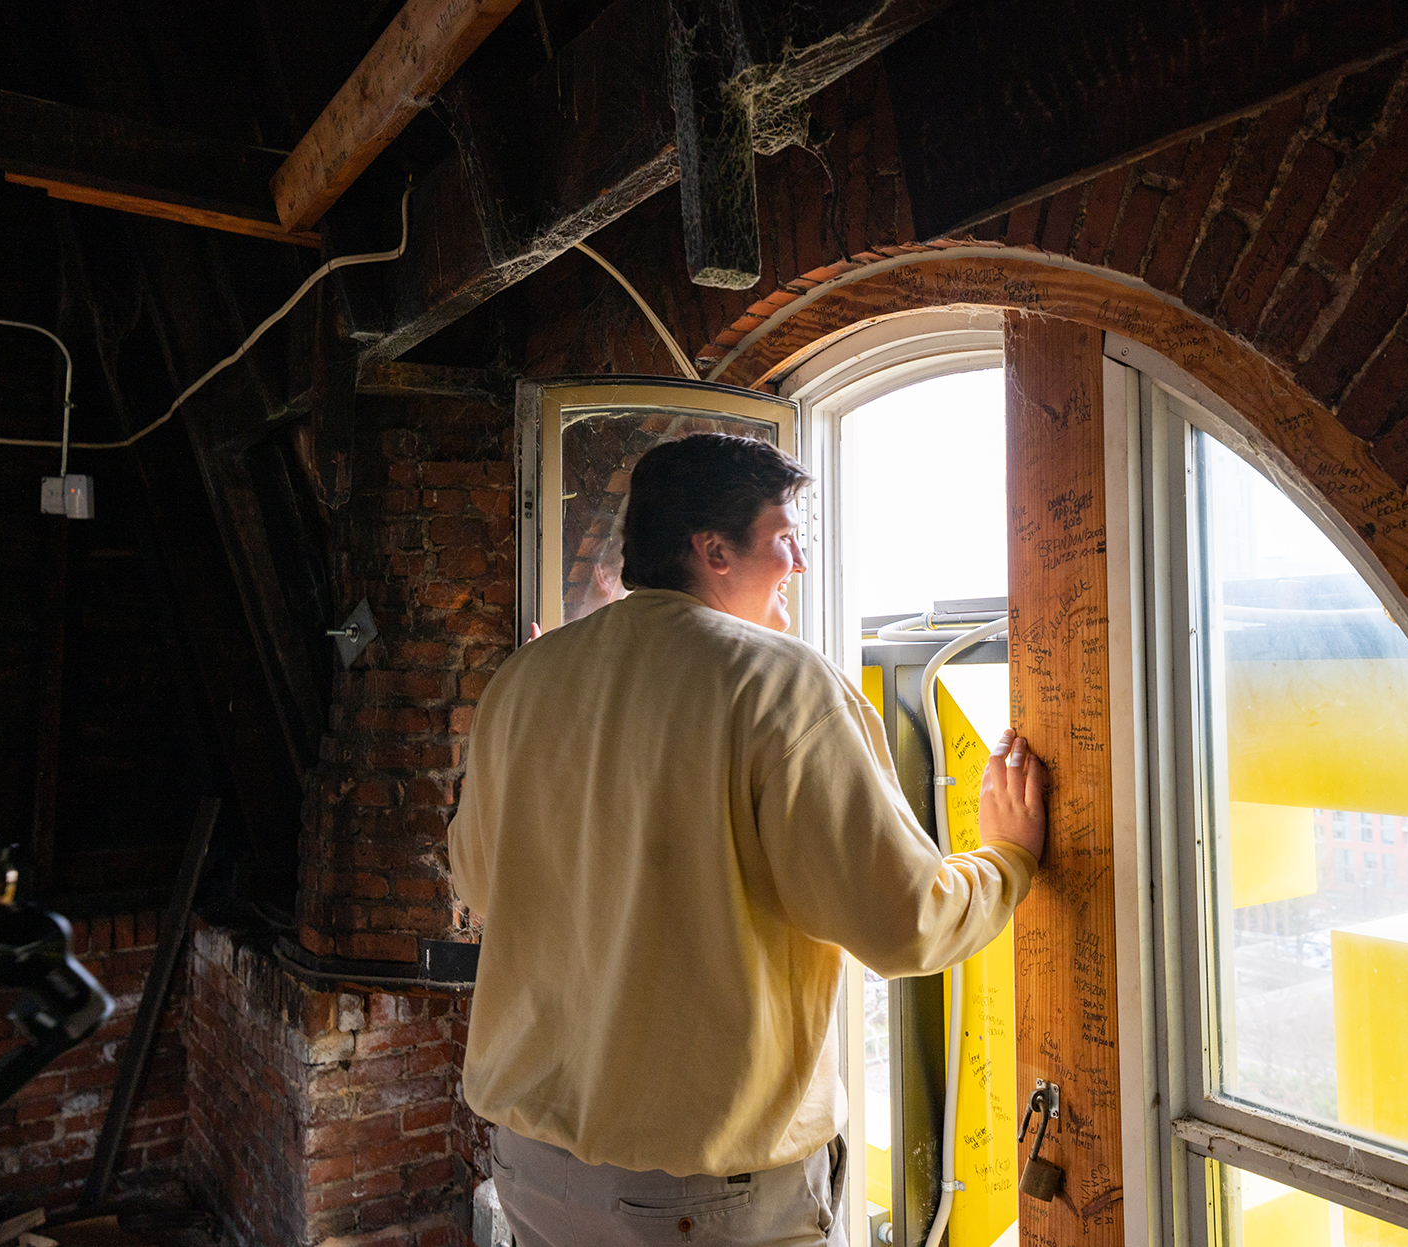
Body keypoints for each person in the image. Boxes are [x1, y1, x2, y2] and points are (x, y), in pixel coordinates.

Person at [448, 432, 1048, 1247]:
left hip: (531, 1167)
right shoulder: (781, 684)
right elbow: (907, 921)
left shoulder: (525, 680)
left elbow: (485, 889)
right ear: (713, 549)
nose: (799, 561)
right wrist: (1007, 857)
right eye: (783, 536)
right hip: (700, 1194)